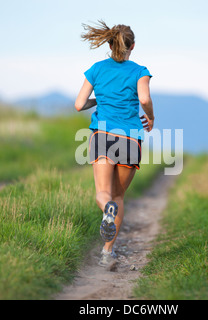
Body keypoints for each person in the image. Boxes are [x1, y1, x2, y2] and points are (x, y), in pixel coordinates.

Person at [74, 20, 154, 267]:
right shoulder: (140, 71)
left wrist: (99, 100)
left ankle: (105, 209)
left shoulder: (97, 69)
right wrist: (150, 116)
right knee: (119, 196)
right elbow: (144, 97)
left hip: (103, 135)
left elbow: (79, 104)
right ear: (133, 46)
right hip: (131, 137)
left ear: (109, 43)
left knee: (104, 193)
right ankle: (107, 253)